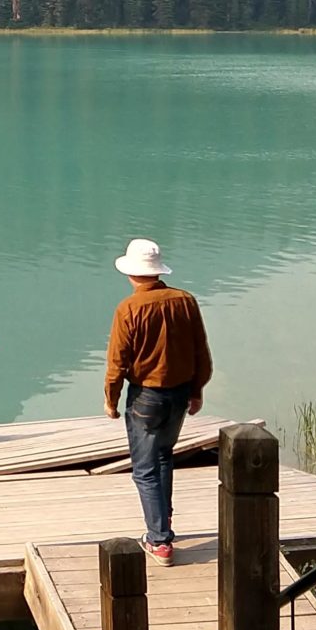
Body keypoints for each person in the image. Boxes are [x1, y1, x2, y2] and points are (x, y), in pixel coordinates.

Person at [103, 238, 212, 566]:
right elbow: (201, 350)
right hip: (179, 394)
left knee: (145, 469)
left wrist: (111, 399)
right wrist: (197, 389)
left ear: (132, 274)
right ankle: (163, 525)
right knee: (164, 458)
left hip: (145, 398)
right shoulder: (185, 300)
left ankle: (159, 541)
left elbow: (117, 362)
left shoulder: (129, 308)